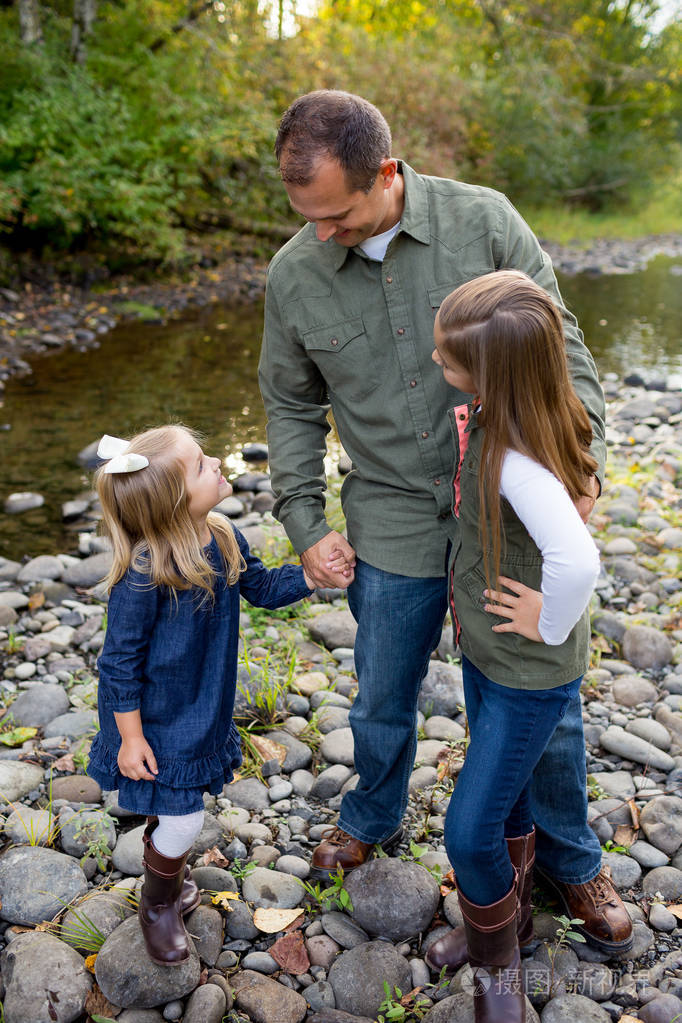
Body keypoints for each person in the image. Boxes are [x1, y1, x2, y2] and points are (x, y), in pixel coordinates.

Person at [258, 89, 631, 953]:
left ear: (386, 173)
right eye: (306, 217)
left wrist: (585, 464)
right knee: (383, 685)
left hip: (506, 508)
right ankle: (373, 816)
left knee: (542, 697)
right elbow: (287, 403)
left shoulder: (483, 222)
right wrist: (306, 519)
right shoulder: (294, 274)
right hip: (390, 510)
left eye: (339, 215)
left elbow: (561, 344)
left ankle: (571, 860)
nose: (322, 234)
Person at [424, 269, 607, 1020]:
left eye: (447, 357)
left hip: (526, 674)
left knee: (468, 831)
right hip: (489, 652)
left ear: (493, 374)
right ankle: (515, 917)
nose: (437, 363)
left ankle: (499, 972)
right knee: (510, 800)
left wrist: (549, 619)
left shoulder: (515, 456)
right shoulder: (513, 410)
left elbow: (579, 559)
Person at [87, 426, 320, 966]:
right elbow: (118, 663)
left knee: (174, 803)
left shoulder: (221, 535)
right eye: (200, 465)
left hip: (201, 704)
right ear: (173, 504)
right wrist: (129, 736)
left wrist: (311, 578)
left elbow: (260, 587)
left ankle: (163, 861)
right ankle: (157, 903)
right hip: (155, 715)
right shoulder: (144, 573)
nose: (217, 461)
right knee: (186, 816)